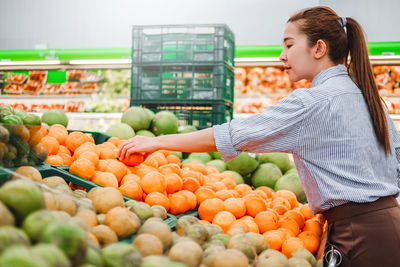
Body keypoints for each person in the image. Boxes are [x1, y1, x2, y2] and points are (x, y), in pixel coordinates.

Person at [119, 6, 400, 266]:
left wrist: (155, 142)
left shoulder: (310, 102)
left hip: (359, 237)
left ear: (319, 48)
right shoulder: (367, 96)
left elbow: (232, 136)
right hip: (388, 225)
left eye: (289, 44)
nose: (282, 55)